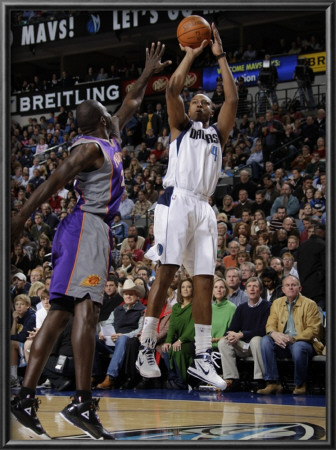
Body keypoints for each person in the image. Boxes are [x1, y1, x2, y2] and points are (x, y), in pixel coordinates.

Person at [10, 42, 171, 440]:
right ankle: (81, 401)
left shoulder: (107, 139)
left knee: (63, 312)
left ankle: (25, 397)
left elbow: (131, 103)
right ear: (100, 120)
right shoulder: (88, 149)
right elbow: (51, 183)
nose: (116, 114)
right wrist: (15, 223)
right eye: (107, 112)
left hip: (85, 230)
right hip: (87, 229)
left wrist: (147, 72)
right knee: (87, 312)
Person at [135, 23, 238, 391]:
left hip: (204, 207)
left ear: (209, 110)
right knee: (166, 271)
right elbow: (174, 88)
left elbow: (232, 100)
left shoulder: (217, 134)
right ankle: (146, 345)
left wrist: (220, 56)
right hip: (176, 198)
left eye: (204, 101)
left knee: (205, 282)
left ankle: (202, 358)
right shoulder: (180, 126)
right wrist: (191, 53)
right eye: (195, 100)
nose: (198, 103)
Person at [257, 275, 323, 395]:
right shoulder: (276, 303)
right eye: (287, 285)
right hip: (282, 342)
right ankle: (273, 383)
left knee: (298, 347)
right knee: (265, 341)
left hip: (303, 342)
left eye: (293, 285)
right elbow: (270, 324)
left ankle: (300, 384)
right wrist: (274, 334)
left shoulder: (310, 304)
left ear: (300, 288)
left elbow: (314, 330)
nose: (290, 288)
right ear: (283, 290)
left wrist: (293, 338)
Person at [218, 277, 270, 391]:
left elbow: (264, 330)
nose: (252, 289)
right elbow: (232, 329)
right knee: (223, 342)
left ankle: (259, 380)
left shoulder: (267, 306)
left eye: (255, 286)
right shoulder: (241, 308)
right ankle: (232, 379)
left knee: (256, 339)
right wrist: (232, 335)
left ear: (260, 290)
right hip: (243, 346)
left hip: (257, 346)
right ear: (245, 290)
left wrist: (241, 335)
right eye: (249, 287)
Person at [94, 279, 146, 389]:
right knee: (91, 339)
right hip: (111, 340)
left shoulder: (142, 310)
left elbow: (141, 330)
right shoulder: (117, 310)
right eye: (126, 294)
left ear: (137, 295)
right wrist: (102, 333)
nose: (128, 296)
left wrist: (123, 335)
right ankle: (94, 374)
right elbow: (108, 324)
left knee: (122, 339)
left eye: (131, 294)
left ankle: (110, 377)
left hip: (128, 341)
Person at [162, 278, 195, 389]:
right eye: (183, 287)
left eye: (189, 287)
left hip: (190, 341)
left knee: (177, 350)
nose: (186, 289)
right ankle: (173, 378)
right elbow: (172, 326)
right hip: (178, 340)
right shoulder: (176, 307)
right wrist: (168, 341)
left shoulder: (195, 306)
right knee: (166, 349)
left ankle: (182, 381)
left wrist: (180, 340)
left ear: (193, 289)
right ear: (179, 290)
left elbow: (192, 326)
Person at [296, 222, 326, 310]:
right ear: (322, 232)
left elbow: (299, 267)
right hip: (319, 290)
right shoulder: (323, 245)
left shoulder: (302, 245)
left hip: (304, 288)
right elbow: (326, 268)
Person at [211, 277, 236, 350]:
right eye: (215, 287)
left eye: (221, 287)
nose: (218, 290)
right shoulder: (210, 308)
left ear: (226, 290)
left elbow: (232, 334)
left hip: (224, 345)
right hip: (208, 345)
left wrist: (214, 340)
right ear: (212, 290)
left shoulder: (231, 307)